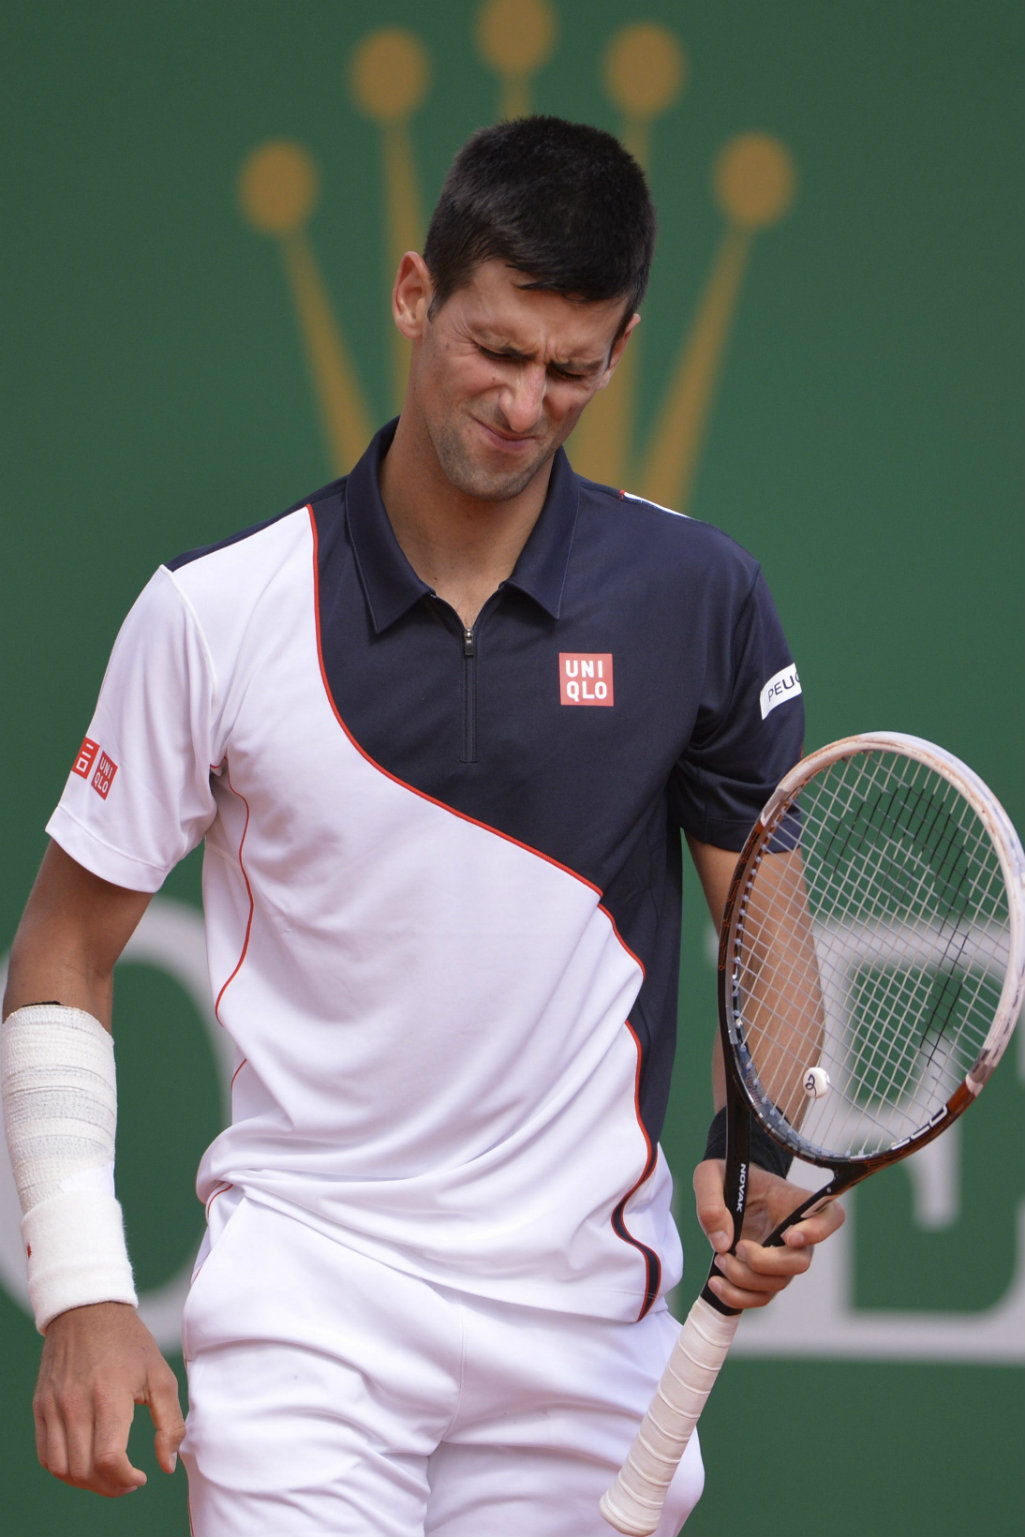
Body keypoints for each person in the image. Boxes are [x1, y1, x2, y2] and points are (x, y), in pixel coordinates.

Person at [1, 116, 843, 1536]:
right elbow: (61, 959)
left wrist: (760, 1139)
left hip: (586, 1331)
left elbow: (763, 909)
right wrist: (82, 1285)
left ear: (620, 351)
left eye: (571, 370)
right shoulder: (214, 614)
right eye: (496, 351)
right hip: (310, 1308)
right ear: (412, 293)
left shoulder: (698, 595)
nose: (525, 404)